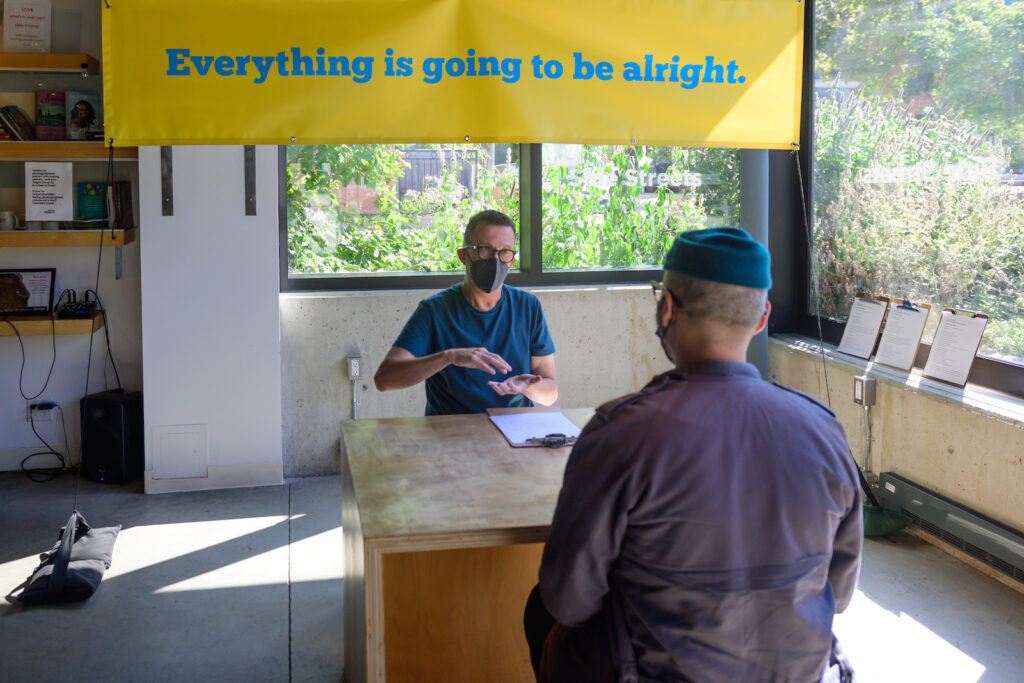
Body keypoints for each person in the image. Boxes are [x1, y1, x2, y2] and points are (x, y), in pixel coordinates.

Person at [525, 227, 862, 682]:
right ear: (762, 318)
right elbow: (838, 595)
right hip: (792, 673)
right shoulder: (825, 431)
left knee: (541, 613)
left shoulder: (620, 432)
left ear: (667, 309)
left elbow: (568, 599)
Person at [374, 209, 558, 415]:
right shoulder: (435, 310)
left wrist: (528, 387)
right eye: (485, 249)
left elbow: (550, 394)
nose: (496, 260)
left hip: (513, 431)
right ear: (463, 255)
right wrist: (448, 357)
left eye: (505, 251)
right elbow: (384, 379)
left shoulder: (528, 306)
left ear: (512, 261)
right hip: (450, 433)